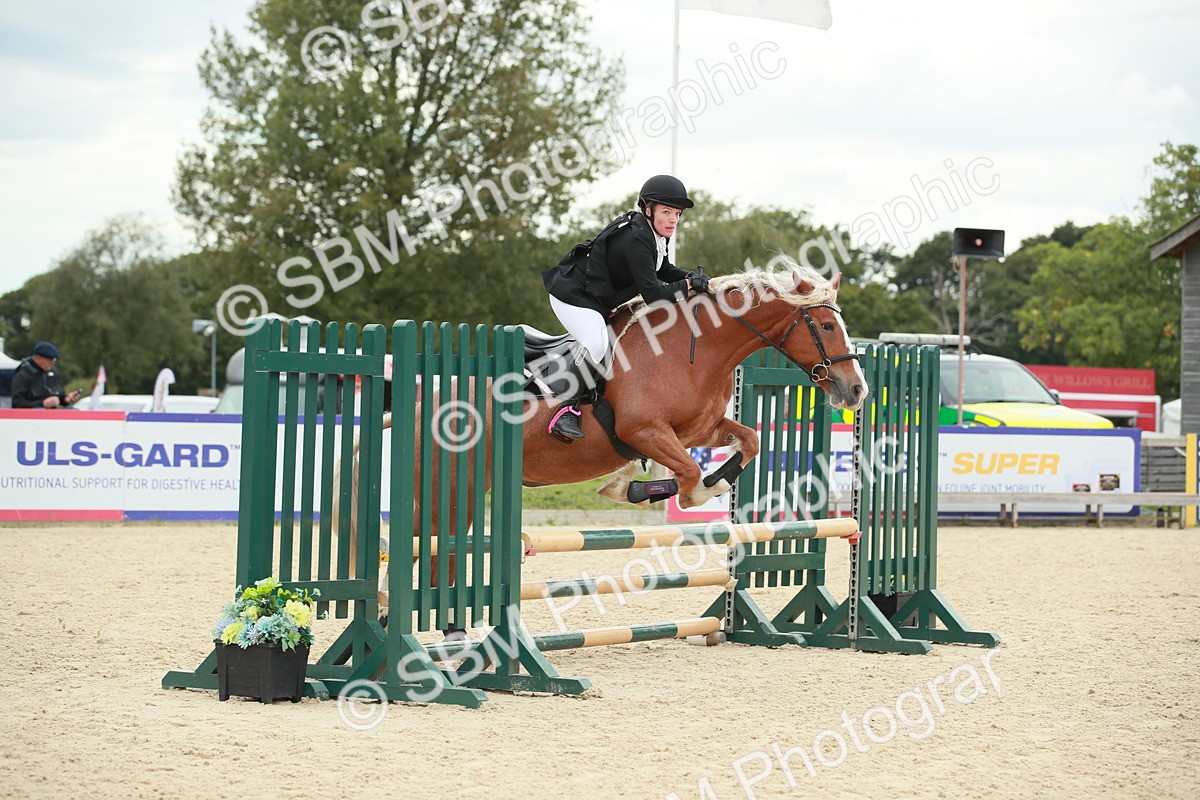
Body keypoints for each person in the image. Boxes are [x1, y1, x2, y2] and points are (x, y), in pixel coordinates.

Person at [541, 174, 709, 442]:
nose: (673, 220)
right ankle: (564, 411)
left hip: (596, 298)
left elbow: (663, 269)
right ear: (648, 210)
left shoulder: (654, 234)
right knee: (596, 344)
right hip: (571, 295)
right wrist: (688, 286)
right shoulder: (635, 239)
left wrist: (690, 276)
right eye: (667, 212)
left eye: (677, 214)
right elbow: (653, 295)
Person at [11, 342, 81, 409]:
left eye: (54, 360)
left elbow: (58, 395)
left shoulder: (52, 372)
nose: (52, 362)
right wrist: (42, 403)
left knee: (74, 411)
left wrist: (66, 399)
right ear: (38, 358)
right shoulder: (22, 375)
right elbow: (17, 403)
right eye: (49, 360)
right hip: (32, 415)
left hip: (51, 414)